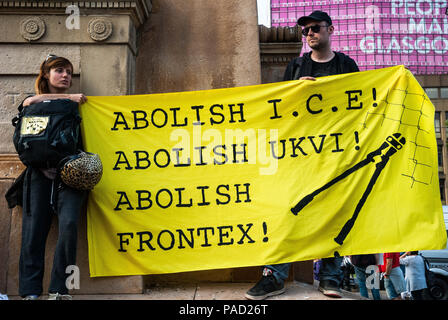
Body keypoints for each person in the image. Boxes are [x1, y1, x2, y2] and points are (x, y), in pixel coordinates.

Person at [245, 11, 359, 300]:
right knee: (288, 212)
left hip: (337, 157)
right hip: (301, 158)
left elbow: (359, 104)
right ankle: (275, 275)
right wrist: (296, 90)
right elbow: (281, 110)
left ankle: (330, 277)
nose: (309, 33)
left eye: (315, 28)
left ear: (330, 29)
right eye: (305, 30)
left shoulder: (347, 65)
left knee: (335, 215)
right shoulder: (296, 67)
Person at [17, 54, 87, 300]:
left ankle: (59, 289)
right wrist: (68, 98)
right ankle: (29, 292)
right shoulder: (34, 103)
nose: (66, 75)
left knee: (68, 226)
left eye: (69, 71)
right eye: (59, 70)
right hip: (38, 175)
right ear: (46, 75)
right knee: (34, 232)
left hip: (71, 176)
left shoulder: (78, 104)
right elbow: (30, 102)